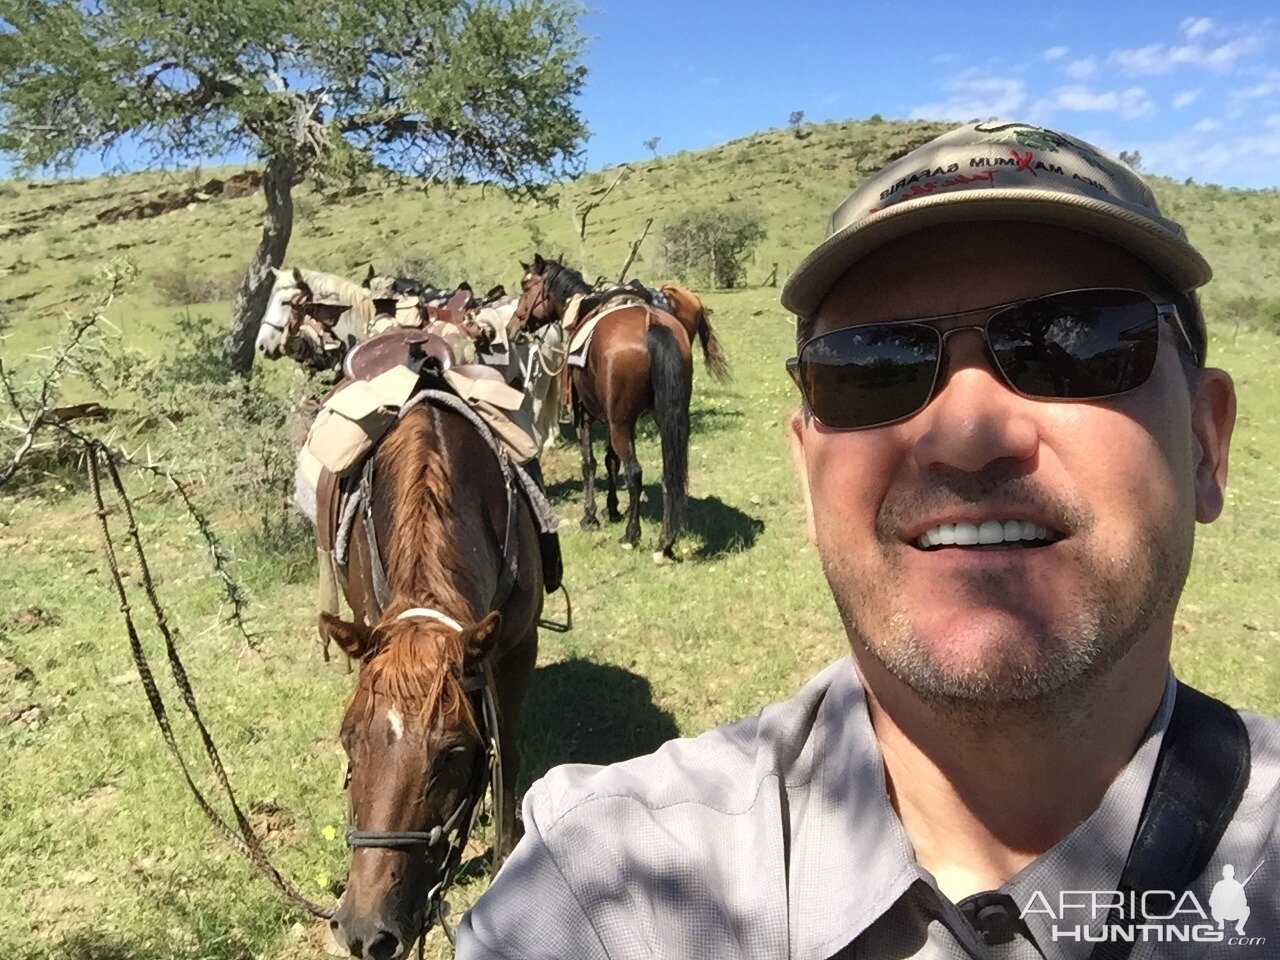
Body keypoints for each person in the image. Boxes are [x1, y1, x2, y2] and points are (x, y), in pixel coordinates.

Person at [457, 121, 1279, 958]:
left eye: (1076, 347)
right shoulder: (602, 885)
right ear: (806, 478)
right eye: (871, 367)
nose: (965, 429)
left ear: (1207, 444)